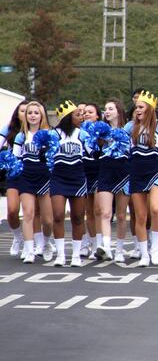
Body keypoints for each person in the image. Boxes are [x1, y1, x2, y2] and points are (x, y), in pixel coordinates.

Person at [124, 90, 158, 266]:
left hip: (155, 171)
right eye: (136, 108)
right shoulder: (130, 127)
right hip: (136, 173)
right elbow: (118, 144)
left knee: (156, 209)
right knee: (140, 216)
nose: (137, 110)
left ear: (150, 108)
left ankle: (155, 248)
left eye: (141, 107)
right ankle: (144, 254)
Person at [13, 101, 54, 264]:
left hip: (44, 176)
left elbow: (54, 157)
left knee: (48, 220)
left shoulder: (49, 134)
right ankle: (29, 251)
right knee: (28, 214)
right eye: (30, 113)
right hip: (26, 176)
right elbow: (15, 159)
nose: (33, 116)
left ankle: (45, 243)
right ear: (26, 116)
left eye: (36, 113)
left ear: (41, 115)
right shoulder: (21, 136)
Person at [49, 101, 88, 267]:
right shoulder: (54, 134)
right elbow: (46, 155)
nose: (81, 118)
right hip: (59, 177)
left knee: (78, 217)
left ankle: (76, 255)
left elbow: (93, 153)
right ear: (67, 117)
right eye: (77, 115)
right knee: (57, 215)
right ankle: (60, 254)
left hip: (78, 178)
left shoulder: (83, 134)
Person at [94, 99, 130, 262]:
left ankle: (120, 249)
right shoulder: (101, 131)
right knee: (106, 213)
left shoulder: (128, 129)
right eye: (105, 109)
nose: (107, 111)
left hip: (123, 172)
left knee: (122, 215)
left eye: (111, 108)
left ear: (119, 111)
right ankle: (106, 247)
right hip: (105, 172)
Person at [1, 100, 28, 257]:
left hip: (33, 173)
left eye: (29, 110)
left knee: (30, 211)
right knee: (12, 210)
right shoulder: (9, 128)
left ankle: (32, 242)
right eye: (22, 111)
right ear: (17, 113)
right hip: (14, 171)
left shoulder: (39, 129)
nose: (26, 114)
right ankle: (18, 237)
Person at [81, 103, 101, 258]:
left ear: (97, 116)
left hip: (100, 171)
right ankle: (91, 243)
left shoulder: (102, 130)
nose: (86, 114)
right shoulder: (79, 132)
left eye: (90, 112)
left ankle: (100, 244)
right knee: (88, 211)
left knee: (98, 210)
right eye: (84, 112)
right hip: (83, 172)